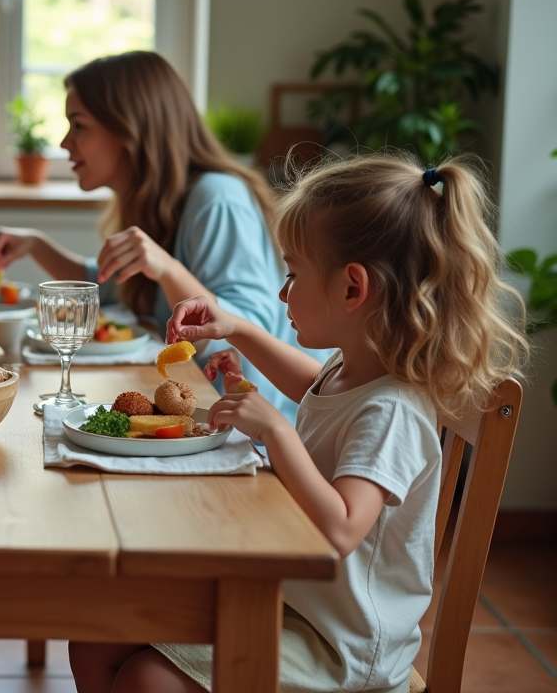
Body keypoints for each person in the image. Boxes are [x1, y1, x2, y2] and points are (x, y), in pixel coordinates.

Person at [68, 154, 529, 693]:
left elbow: (340, 529)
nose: (283, 293)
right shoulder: (353, 368)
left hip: (341, 647)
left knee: (147, 680)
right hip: (294, 603)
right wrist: (235, 330)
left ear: (353, 288)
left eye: (292, 274)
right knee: (95, 639)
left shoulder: (395, 411)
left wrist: (277, 432)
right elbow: (310, 386)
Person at [0, 51, 328, 422]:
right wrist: (36, 244)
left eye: (79, 125)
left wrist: (168, 269)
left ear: (129, 129)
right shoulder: (157, 203)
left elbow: (245, 329)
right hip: (207, 411)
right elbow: (109, 284)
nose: (66, 142)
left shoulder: (218, 199)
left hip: (265, 431)